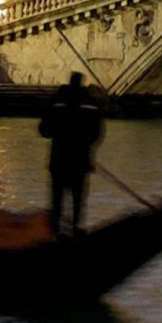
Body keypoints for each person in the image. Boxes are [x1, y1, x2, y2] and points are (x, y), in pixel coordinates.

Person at [38, 72, 104, 236]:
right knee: (78, 201)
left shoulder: (56, 103)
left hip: (59, 159)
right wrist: (87, 146)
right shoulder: (90, 104)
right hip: (80, 160)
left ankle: (54, 232)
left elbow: (44, 130)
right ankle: (76, 229)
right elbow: (97, 132)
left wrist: (59, 134)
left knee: (57, 201)